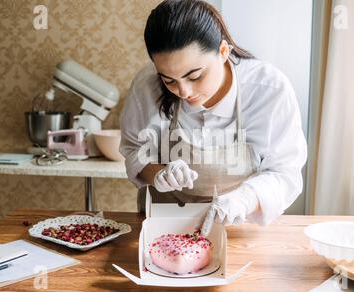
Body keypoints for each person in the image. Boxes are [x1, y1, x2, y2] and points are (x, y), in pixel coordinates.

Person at [119, 0, 307, 227]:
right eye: (169, 80)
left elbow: (285, 174)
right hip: (164, 224)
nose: (184, 92)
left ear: (223, 51)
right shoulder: (147, 85)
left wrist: (244, 199)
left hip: (240, 226)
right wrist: (159, 175)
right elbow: (135, 150)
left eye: (195, 76)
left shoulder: (269, 90)